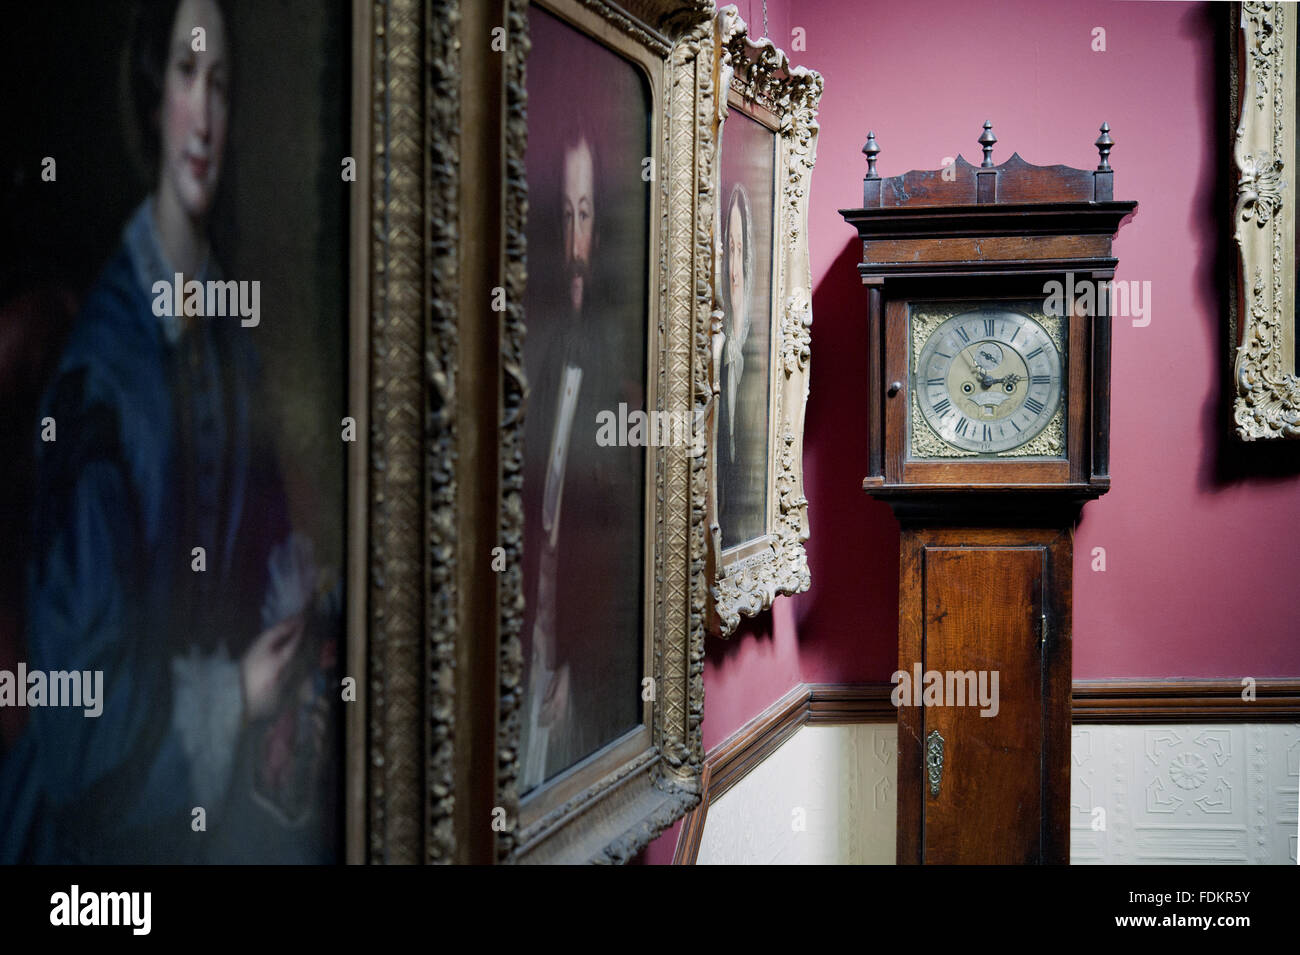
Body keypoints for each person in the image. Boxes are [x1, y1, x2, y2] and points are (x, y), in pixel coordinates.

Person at [0, 0, 333, 863]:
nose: (207, 115)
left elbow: (266, 543)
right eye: (187, 77)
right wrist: (239, 695)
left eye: (221, 84)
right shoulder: (99, 379)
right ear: (153, 100)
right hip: (99, 827)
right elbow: (83, 731)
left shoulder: (226, 333)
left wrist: (298, 619)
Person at [520, 121, 642, 790]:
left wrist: (574, 654)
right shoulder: (535, 350)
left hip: (583, 652)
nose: (574, 236)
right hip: (527, 635)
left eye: (586, 213)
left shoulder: (623, 366)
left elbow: (616, 539)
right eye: (565, 214)